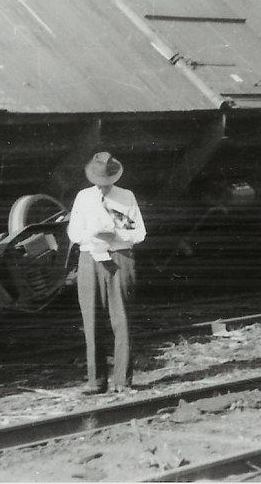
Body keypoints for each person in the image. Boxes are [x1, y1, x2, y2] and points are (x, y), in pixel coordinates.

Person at [67, 152, 146, 394]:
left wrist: (115, 234)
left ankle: (122, 381)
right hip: (90, 258)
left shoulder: (125, 197)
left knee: (121, 319)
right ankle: (96, 381)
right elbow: (74, 232)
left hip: (119, 257)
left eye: (107, 181)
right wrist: (93, 235)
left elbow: (138, 233)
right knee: (91, 320)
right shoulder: (83, 198)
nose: (103, 186)